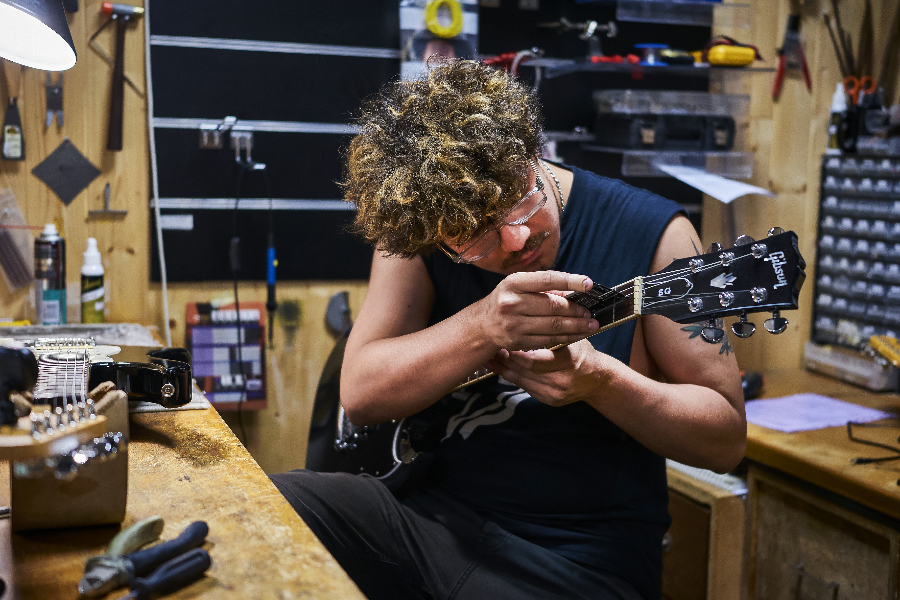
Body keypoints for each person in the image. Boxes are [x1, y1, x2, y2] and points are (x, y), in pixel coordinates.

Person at [271, 59, 744, 600]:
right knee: (266, 512)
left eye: (523, 200)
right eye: (476, 238)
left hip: (578, 558)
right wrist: (482, 327)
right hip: (431, 517)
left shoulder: (655, 235)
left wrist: (603, 382)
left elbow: (725, 439)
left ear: (531, 152)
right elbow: (361, 391)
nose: (517, 240)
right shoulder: (424, 225)